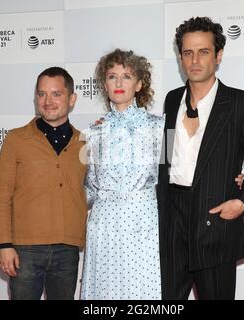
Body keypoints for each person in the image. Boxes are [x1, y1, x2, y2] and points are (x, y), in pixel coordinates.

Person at [157, 17, 244, 300]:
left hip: (215, 221)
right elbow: (166, 156)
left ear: (218, 55)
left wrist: (243, 201)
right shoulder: (172, 100)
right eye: (188, 52)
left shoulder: (239, 103)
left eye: (203, 51)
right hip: (173, 220)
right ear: (180, 56)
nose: (194, 60)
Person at [0, 67, 87, 300]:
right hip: (25, 250)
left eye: (56, 94)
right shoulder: (16, 139)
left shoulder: (85, 142)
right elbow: (1, 195)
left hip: (68, 249)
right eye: (42, 94)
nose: (48, 101)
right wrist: (4, 245)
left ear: (72, 99)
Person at [81, 49, 164, 299]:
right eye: (112, 76)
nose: (118, 83)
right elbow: (89, 186)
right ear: (104, 85)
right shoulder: (93, 132)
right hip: (104, 223)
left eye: (126, 76)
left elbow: (177, 175)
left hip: (143, 221)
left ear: (139, 84)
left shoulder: (160, 126)